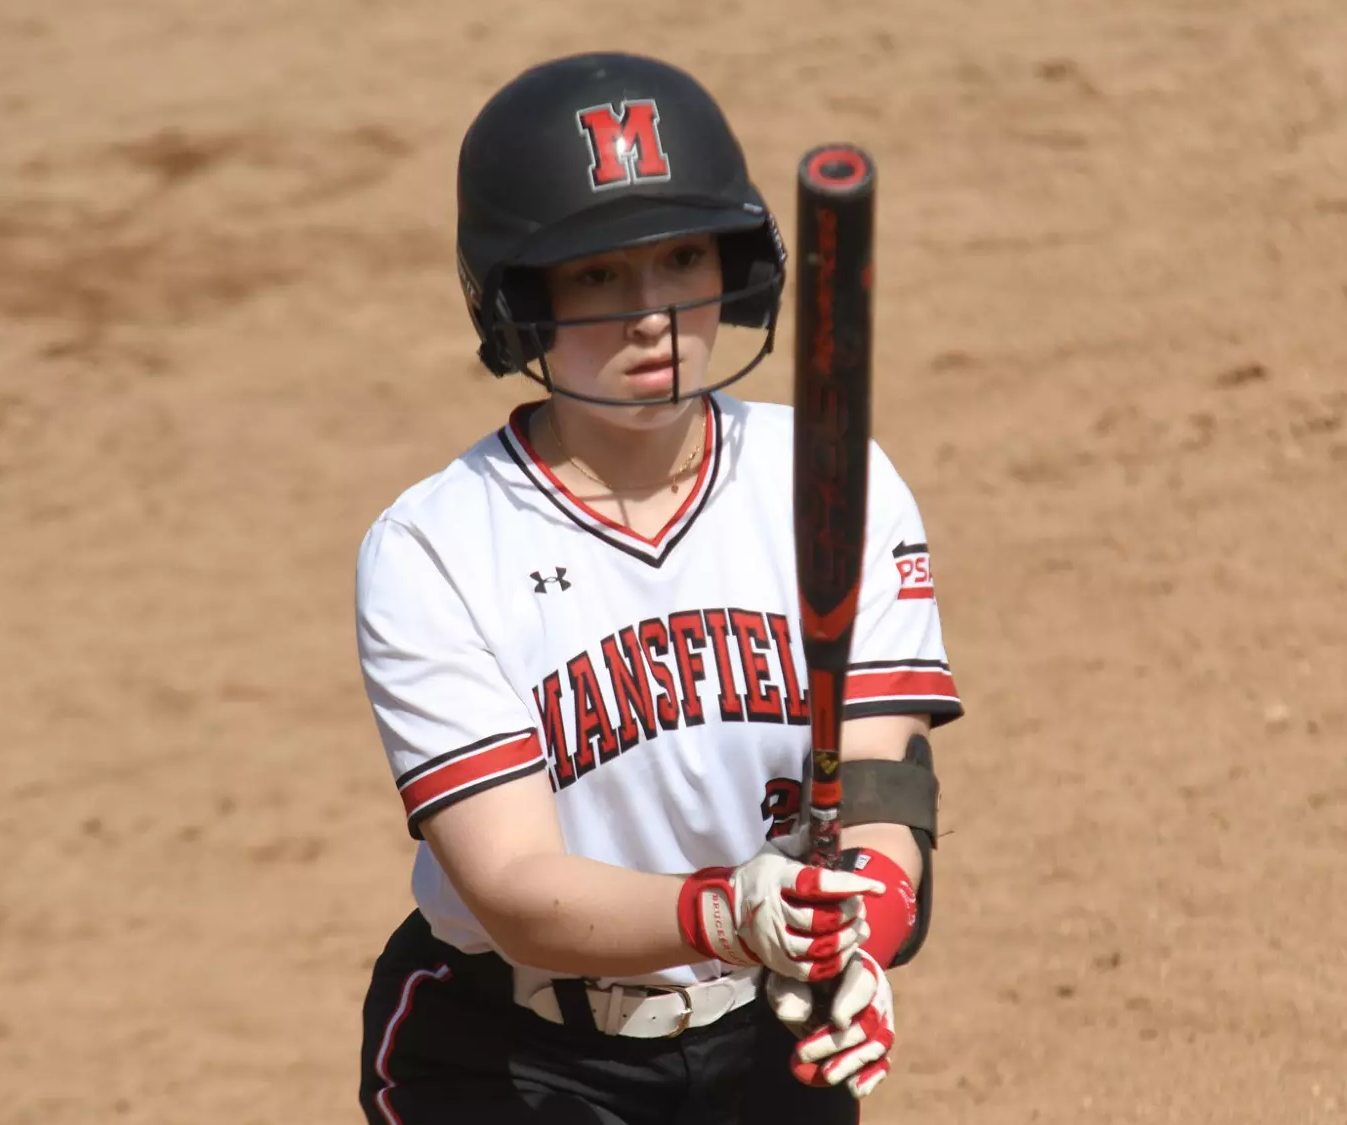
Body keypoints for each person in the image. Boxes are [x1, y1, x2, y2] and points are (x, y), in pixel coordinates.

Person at [353, 50, 964, 1125]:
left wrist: (856, 932)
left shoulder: (827, 476)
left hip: (765, 1029)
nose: (650, 315)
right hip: (508, 1057)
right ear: (523, 300)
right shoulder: (434, 548)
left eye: (681, 259)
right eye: (596, 274)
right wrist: (731, 911)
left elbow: (880, 781)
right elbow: (514, 890)